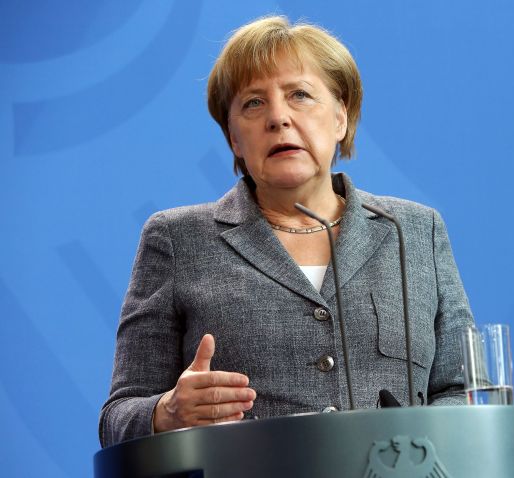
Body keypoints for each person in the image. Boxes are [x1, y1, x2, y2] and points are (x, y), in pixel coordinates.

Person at [98, 15, 474, 447]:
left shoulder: (414, 229)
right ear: (234, 138)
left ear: (341, 118)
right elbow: (117, 420)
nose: (278, 117)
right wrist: (167, 412)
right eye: (253, 103)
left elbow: (465, 391)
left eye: (300, 95)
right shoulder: (177, 239)